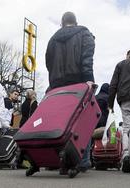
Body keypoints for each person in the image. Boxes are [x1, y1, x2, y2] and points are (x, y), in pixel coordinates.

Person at [43, 11, 95, 175]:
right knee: (82, 119)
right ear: (75, 21)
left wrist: (53, 81)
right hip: (78, 81)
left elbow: (48, 62)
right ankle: (83, 160)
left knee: (61, 121)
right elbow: (87, 57)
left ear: (62, 23)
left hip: (57, 85)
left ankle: (61, 159)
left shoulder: (53, 39)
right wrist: (88, 78)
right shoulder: (84, 33)